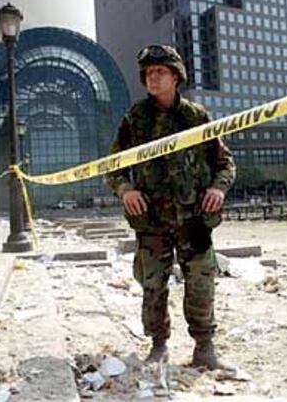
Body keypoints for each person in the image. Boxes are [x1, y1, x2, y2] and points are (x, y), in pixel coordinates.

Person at [105, 44, 236, 369]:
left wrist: (218, 190)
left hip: (194, 219)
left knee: (202, 281)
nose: (152, 77)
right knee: (152, 285)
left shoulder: (197, 117)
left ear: (176, 76)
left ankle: (204, 348)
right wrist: (126, 189)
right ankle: (158, 344)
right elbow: (112, 165)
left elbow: (225, 163)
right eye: (148, 73)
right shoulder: (135, 120)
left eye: (160, 72)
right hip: (151, 220)